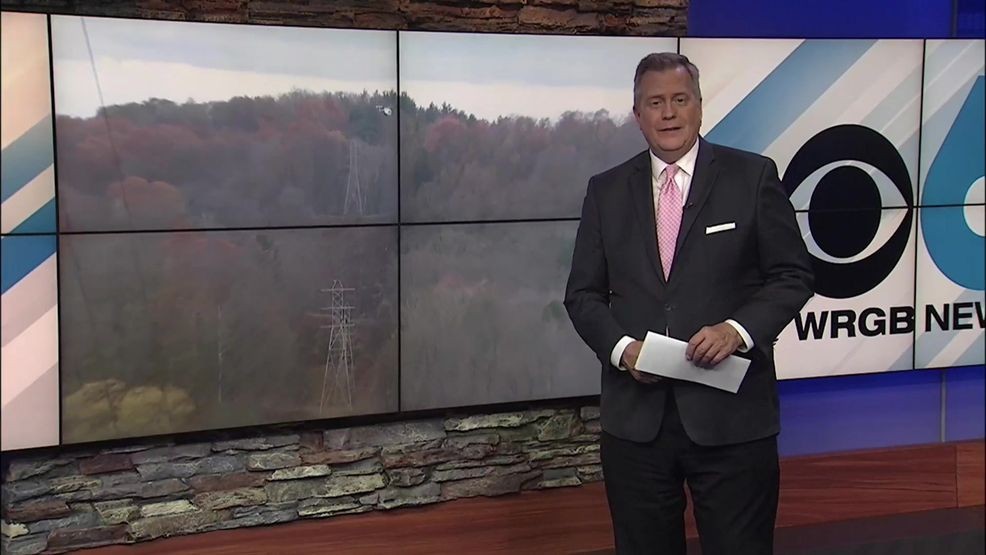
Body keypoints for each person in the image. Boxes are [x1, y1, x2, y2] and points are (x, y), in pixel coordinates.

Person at [564, 52, 814, 555]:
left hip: (732, 421)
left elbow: (793, 275)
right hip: (637, 426)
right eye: (655, 103)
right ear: (638, 114)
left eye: (680, 100)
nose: (669, 113)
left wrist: (737, 331)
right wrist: (624, 350)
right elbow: (582, 295)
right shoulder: (606, 191)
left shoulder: (752, 177)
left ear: (699, 105)